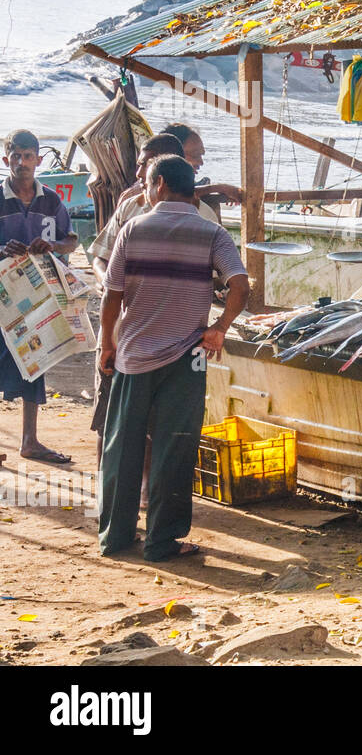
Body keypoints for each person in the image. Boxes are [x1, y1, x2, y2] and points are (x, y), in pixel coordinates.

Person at [98, 155, 249, 561]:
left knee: (122, 448)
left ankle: (115, 537)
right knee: (174, 448)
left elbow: (111, 295)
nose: (145, 192)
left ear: (160, 183)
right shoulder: (212, 233)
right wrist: (219, 328)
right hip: (188, 359)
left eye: (147, 184)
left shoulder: (133, 228)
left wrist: (105, 346)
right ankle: (161, 543)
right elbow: (240, 284)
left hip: (133, 357)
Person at [0, 129, 79, 466]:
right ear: (6, 160)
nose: (22, 162)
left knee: (35, 362)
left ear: (38, 160)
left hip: (39, 299)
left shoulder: (51, 200)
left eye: (28, 156)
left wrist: (54, 246)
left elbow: (71, 239)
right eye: (15, 156)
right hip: (4, 298)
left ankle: (30, 441)